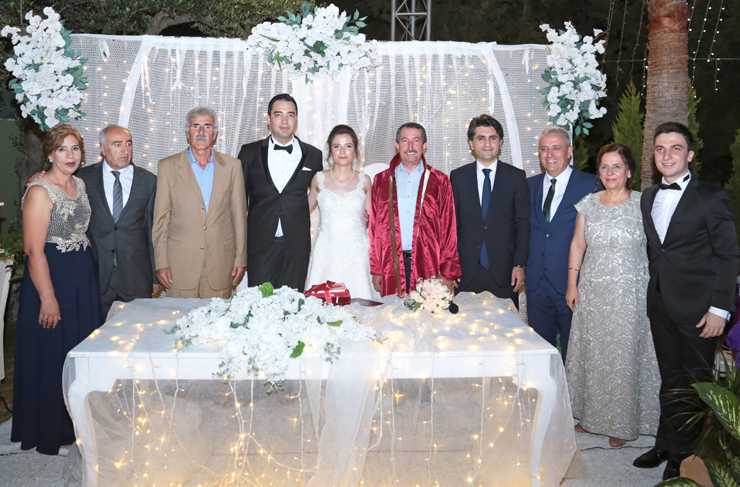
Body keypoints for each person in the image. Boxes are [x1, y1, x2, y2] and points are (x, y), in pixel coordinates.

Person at [634, 122, 740, 480]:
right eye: (660, 148)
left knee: (694, 386)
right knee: (670, 380)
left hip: (700, 310)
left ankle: (684, 458)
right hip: (660, 304)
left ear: (690, 154)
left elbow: (728, 257)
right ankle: (665, 443)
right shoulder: (648, 197)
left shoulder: (711, 197)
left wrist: (719, 309)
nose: (666, 155)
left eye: (675, 148)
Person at [12, 124, 102, 455]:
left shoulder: (79, 184)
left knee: (78, 355)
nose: (70, 155)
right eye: (62, 149)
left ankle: (77, 425)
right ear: (50, 154)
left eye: (75, 148)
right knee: (53, 356)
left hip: (82, 283)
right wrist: (48, 299)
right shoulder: (39, 191)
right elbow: (34, 250)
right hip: (52, 282)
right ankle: (53, 431)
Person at [565, 143, 660, 448]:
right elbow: (578, 245)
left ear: (629, 171)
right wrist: (572, 284)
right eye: (604, 166)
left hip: (631, 295)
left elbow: (661, 247)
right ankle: (590, 416)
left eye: (617, 166)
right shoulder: (588, 204)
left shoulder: (644, 204)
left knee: (623, 357)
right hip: (593, 292)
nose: (610, 172)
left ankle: (622, 422)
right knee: (594, 355)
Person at [27, 125, 160, 321]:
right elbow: (51, 188)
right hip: (94, 276)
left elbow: (152, 230)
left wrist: (155, 276)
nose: (125, 150)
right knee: (92, 333)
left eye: (128, 144)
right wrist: (37, 178)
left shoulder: (149, 181)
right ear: (103, 149)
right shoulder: (82, 178)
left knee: (137, 333)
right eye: (117, 144)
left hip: (137, 277)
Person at [152, 106, 247, 298]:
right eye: (196, 126)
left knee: (218, 317)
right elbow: (161, 220)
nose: (201, 132)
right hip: (180, 266)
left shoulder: (232, 166)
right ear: (187, 131)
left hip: (221, 264)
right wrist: (161, 262)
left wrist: (240, 258)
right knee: (178, 317)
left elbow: (239, 217)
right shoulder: (168, 167)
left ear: (215, 133)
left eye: (207, 126)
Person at [238, 93, 323, 290]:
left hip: (297, 245)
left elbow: (321, 192)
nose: (285, 121)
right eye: (278, 114)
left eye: (290, 115)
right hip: (259, 244)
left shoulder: (313, 155)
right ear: (268, 119)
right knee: (259, 303)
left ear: (296, 119)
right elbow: (238, 201)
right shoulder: (249, 153)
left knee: (293, 303)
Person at [525, 127, 597, 362]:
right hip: (536, 283)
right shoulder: (528, 185)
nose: (550, 154)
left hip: (572, 284)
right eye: (544, 149)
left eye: (556, 148)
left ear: (569, 151)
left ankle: (571, 388)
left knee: (573, 352)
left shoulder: (591, 185)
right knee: (540, 352)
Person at [369, 122, 461, 297]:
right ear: (397, 145)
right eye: (405, 141)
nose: (410, 146)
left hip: (428, 265)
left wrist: (448, 270)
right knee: (393, 313)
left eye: (416, 141)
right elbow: (374, 229)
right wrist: (376, 268)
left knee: (427, 313)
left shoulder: (439, 181)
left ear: (424, 145)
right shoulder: (381, 181)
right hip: (391, 265)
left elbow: (449, 229)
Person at [450, 114, 529, 309]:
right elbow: (451, 225)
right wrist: (450, 265)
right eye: (481, 138)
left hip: (505, 272)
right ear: (471, 144)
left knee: (506, 326)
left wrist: (519, 264)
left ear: (500, 143)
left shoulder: (516, 177)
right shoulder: (458, 177)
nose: (487, 143)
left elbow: (523, 224)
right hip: (466, 272)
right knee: (464, 325)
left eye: (493, 138)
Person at [305, 125, 378, 299]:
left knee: (359, 305)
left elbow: (374, 220)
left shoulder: (365, 180)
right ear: (330, 150)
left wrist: (368, 219)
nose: (343, 151)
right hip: (326, 253)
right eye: (337, 146)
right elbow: (301, 211)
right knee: (323, 306)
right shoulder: (318, 179)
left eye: (348, 146)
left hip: (357, 253)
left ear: (355, 150)